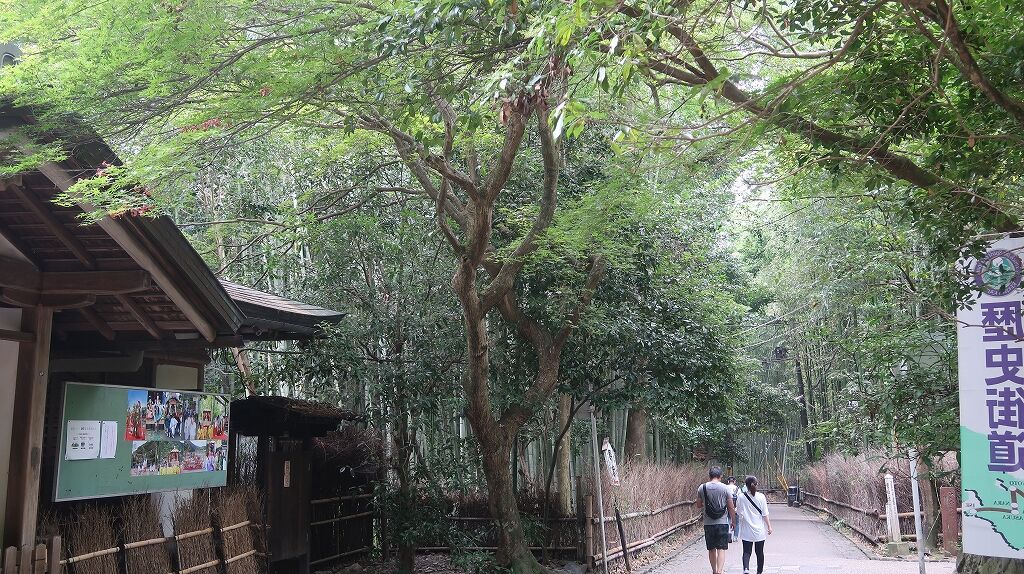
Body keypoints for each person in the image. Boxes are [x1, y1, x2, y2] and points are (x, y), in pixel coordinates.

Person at [694, 466, 736, 574]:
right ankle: (719, 571)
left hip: (708, 523)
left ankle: (714, 570)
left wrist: (707, 504)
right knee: (721, 548)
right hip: (722, 522)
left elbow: (698, 505)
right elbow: (731, 507)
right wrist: (733, 521)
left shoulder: (702, 487)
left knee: (711, 548)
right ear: (720, 476)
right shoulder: (725, 488)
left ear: (709, 476)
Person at [736, 475, 773, 574]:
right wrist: (769, 526)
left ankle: (746, 569)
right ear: (756, 484)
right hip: (759, 530)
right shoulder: (761, 497)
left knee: (746, 552)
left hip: (746, 529)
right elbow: (765, 513)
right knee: (759, 552)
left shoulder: (741, 497)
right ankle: (759, 572)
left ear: (746, 485)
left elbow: (738, 512)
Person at [726, 476, 740, 541]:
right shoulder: (738, 489)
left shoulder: (725, 488)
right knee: (737, 522)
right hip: (735, 508)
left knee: (728, 520)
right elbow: (740, 499)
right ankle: (735, 537)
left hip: (727, 507)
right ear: (734, 481)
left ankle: (729, 534)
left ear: (728, 481)